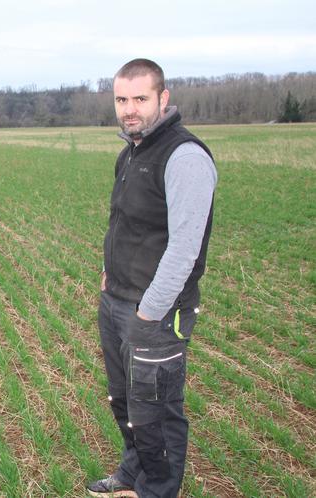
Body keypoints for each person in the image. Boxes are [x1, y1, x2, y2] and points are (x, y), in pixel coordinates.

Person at [87, 59, 217, 498]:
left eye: (140, 98)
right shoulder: (131, 152)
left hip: (156, 312)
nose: (129, 109)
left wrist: (148, 311)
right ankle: (131, 473)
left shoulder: (184, 156)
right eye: (122, 99)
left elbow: (184, 248)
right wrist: (109, 275)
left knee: (156, 412)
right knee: (125, 402)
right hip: (118, 300)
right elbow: (125, 223)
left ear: (163, 98)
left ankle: (157, 490)